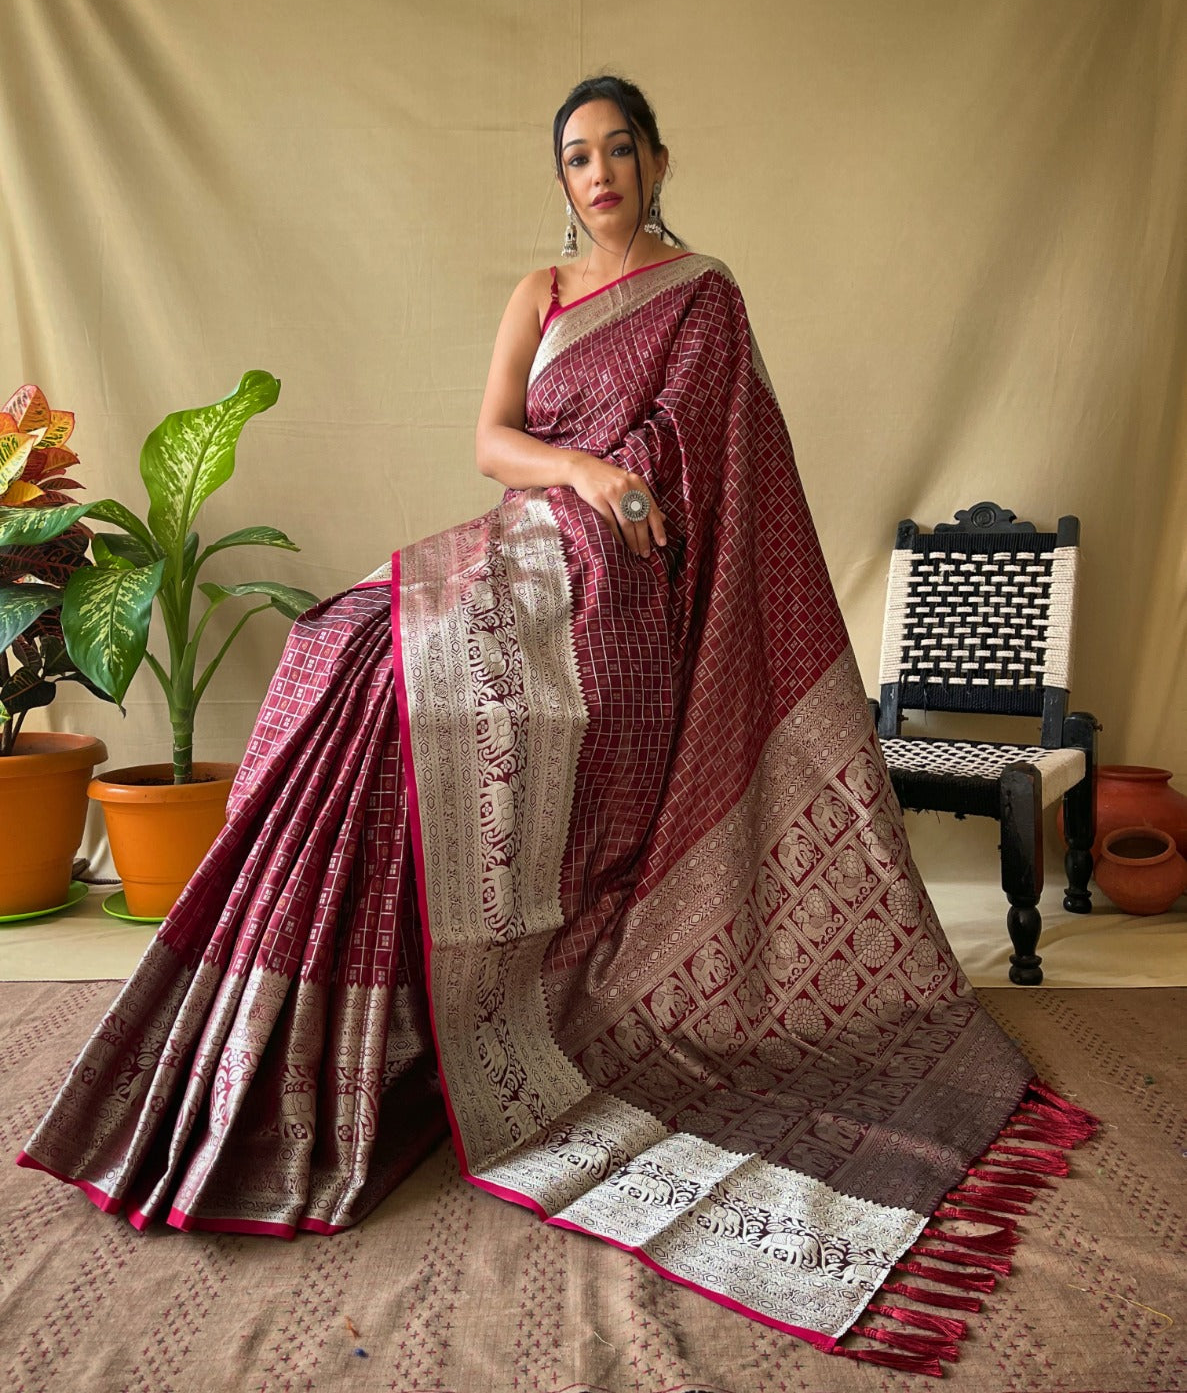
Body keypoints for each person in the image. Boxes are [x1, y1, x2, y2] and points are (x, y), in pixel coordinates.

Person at [19, 75, 1095, 1375]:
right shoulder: (539, 293)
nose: (599, 175)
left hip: (628, 601)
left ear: (656, 160)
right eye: (577, 157)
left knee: (402, 686)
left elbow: (733, 487)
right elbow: (491, 441)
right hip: (522, 546)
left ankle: (408, 1030)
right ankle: (305, 1044)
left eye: (618, 151)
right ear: (562, 177)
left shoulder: (704, 300)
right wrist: (581, 467)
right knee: (335, 653)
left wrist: (624, 506)